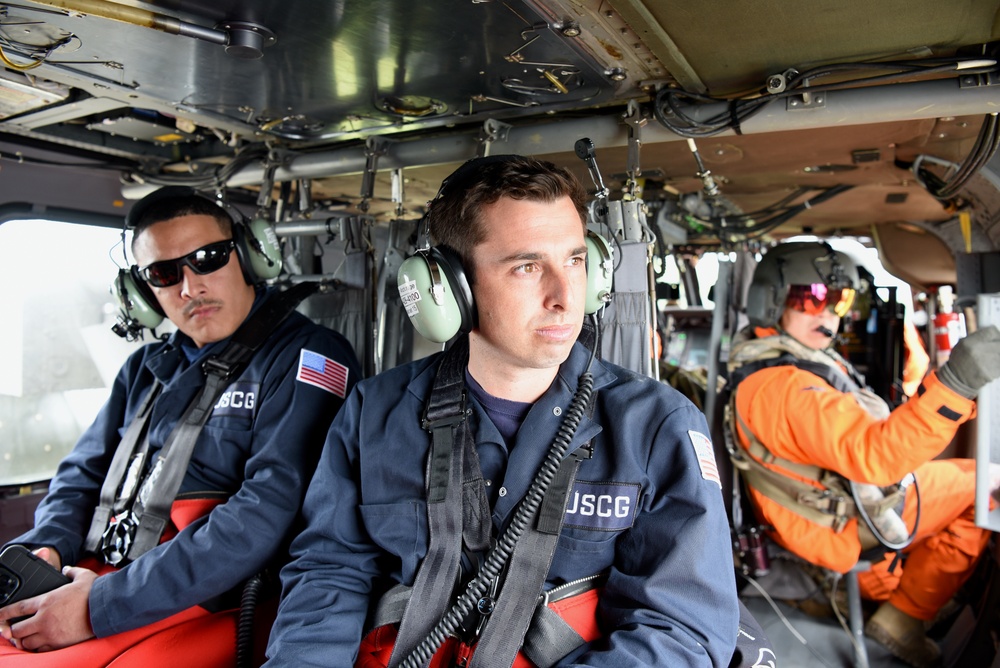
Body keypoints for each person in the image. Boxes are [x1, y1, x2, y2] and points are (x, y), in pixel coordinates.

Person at [265, 155, 740, 667]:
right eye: (527, 266)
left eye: (576, 261)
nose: (565, 297)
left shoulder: (657, 426)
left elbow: (680, 627)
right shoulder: (373, 411)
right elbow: (328, 571)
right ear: (450, 289)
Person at [0, 187, 361, 665]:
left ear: (249, 256)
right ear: (141, 291)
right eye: (164, 273)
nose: (189, 288)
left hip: (212, 593)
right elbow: (80, 477)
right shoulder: (144, 368)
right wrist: (45, 546)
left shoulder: (307, 357)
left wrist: (98, 606)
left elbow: (263, 514)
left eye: (207, 258)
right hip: (105, 576)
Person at [726, 240, 1000, 668]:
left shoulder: (775, 365)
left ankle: (886, 594)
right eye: (811, 297)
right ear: (773, 301)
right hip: (845, 524)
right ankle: (905, 618)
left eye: (839, 299)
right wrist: (958, 383)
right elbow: (879, 457)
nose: (827, 313)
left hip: (819, 509)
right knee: (986, 486)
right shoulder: (787, 388)